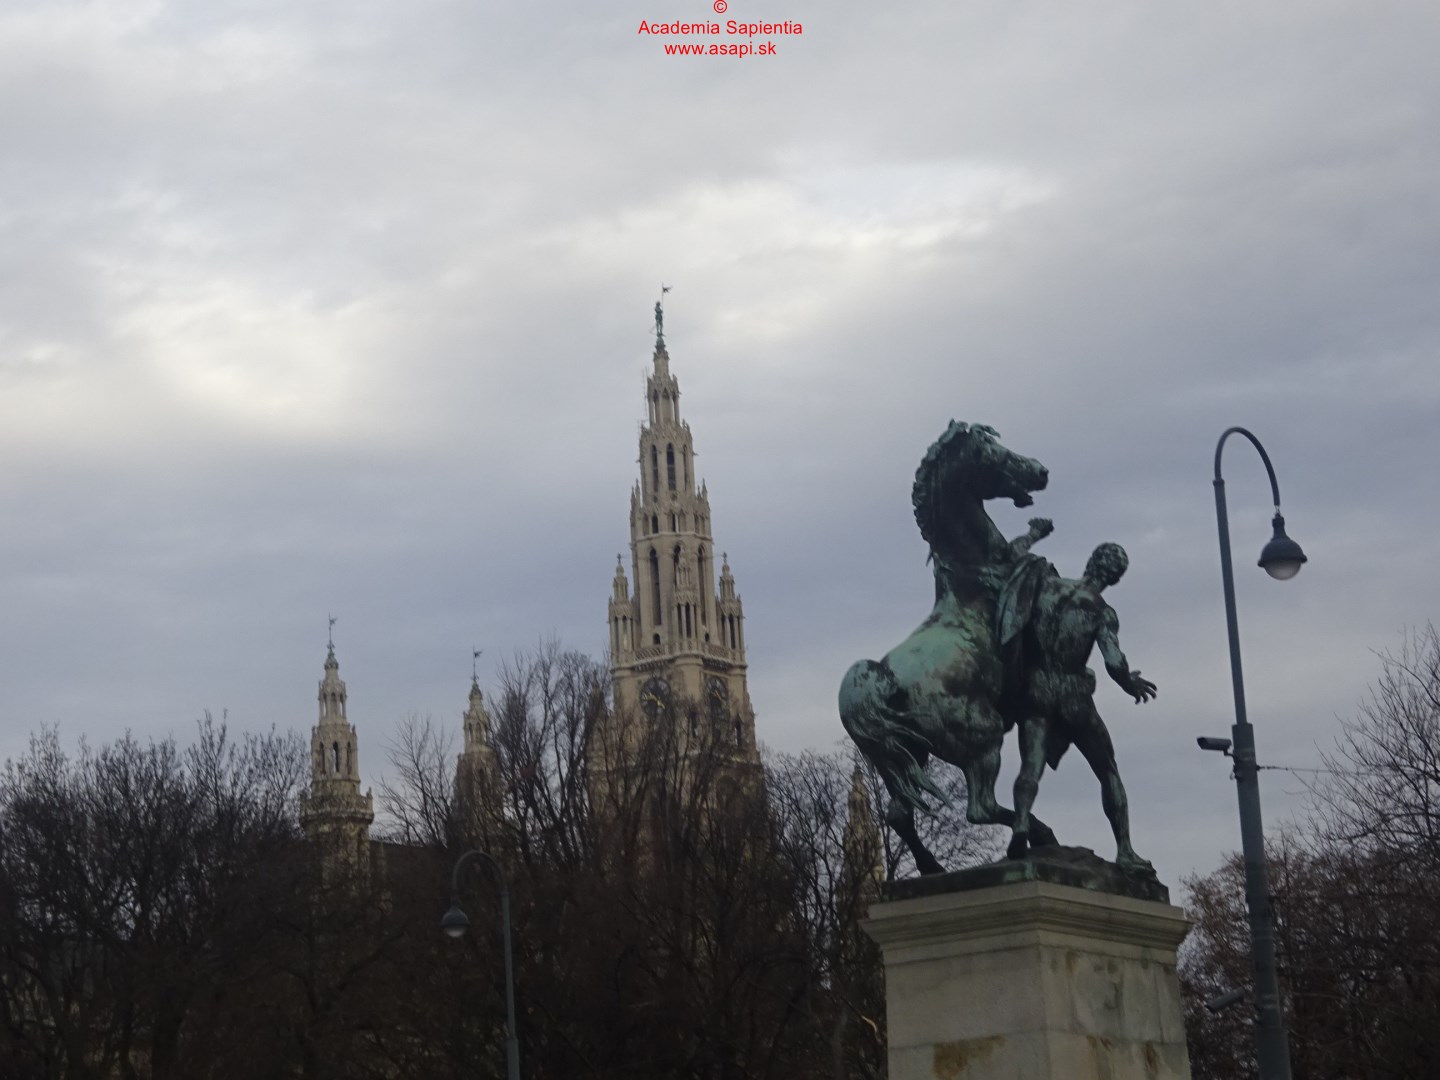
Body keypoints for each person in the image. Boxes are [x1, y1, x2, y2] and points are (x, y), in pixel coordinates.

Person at [1009, 542, 1156, 870]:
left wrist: (1032, 536)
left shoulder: (1046, 587)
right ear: (1115, 578)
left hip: (1036, 689)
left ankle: (1020, 822)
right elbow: (1114, 661)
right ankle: (1125, 850)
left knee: (1031, 766)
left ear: (1091, 561)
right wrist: (1129, 683)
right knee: (1107, 770)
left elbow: (1016, 609)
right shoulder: (1101, 611)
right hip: (1073, 694)